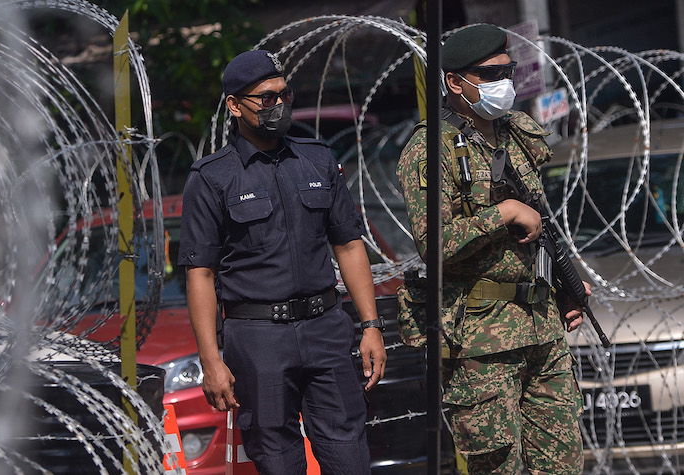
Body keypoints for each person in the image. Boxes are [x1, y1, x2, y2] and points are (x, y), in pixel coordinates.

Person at [178, 49, 386, 475]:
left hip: (326, 328)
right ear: (235, 106)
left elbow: (348, 245)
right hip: (258, 340)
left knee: (349, 456)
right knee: (277, 460)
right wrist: (211, 360)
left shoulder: (317, 159)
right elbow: (200, 273)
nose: (278, 105)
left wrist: (371, 325)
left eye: (283, 95)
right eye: (265, 99)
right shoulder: (212, 178)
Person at [396, 24, 587, 475]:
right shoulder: (430, 150)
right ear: (454, 82)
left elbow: (542, 223)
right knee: (498, 466)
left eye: (507, 71)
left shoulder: (517, 133)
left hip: (542, 326)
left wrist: (564, 282)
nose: (504, 82)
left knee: (562, 463)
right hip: (481, 338)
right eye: (490, 74)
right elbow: (434, 244)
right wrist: (502, 215)